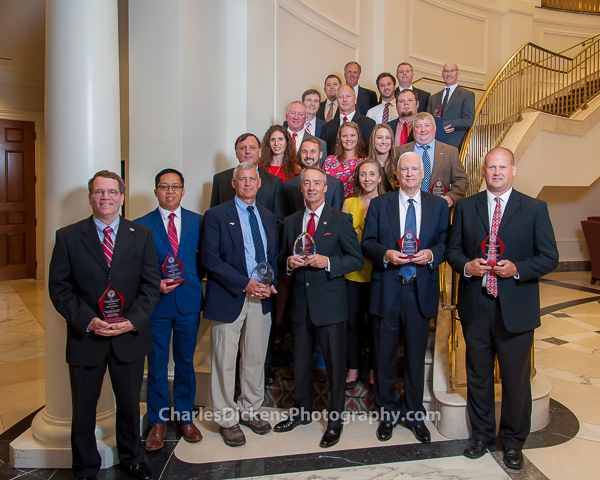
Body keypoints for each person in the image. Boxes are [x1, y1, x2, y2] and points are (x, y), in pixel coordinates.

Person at [446, 147, 559, 470]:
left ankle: (512, 441)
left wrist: (519, 268)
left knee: (515, 379)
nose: (496, 173)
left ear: (514, 170)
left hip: (516, 306)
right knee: (478, 376)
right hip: (476, 304)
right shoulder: (467, 207)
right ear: (483, 171)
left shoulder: (535, 208)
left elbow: (550, 257)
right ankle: (480, 435)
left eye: (502, 167)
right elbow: (453, 251)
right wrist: (469, 266)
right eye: (491, 167)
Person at [48, 170, 160, 480]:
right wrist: (88, 321)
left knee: (128, 404)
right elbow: (59, 290)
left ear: (121, 197)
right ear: (90, 197)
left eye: (112, 192)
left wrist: (130, 321)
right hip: (87, 339)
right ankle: (85, 466)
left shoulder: (142, 235)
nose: (106, 197)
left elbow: (151, 288)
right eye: (99, 192)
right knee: (83, 409)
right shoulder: (68, 237)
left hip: (129, 337)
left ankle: (132, 459)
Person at [362, 153, 450, 444]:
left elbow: (445, 243)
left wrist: (432, 254)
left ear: (422, 173)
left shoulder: (438, 206)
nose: (409, 174)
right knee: (383, 356)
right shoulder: (379, 204)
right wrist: (386, 254)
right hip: (388, 287)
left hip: (419, 289)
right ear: (395, 174)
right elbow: (367, 243)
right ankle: (387, 413)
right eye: (404, 169)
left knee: (414, 357)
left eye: (415, 169)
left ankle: (414, 415)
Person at [274, 166, 363, 448]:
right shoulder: (290, 222)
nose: (311, 187)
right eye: (306, 183)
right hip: (300, 305)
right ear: (301, 189)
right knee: (301, 362)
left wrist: (328, 263)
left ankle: (335, 421)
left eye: (317, 183)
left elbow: (356, 259)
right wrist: (288, 262)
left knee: (336, 366)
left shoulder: (340, 220)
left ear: (326, 188)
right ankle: (301, 413)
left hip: (331, 306)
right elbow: (279, 258)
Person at [201, 162, 279, 447]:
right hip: (228, 296)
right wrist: (244, 283)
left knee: (255, 356)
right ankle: (226, 418)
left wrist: (270, 282)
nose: (247, 184)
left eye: (252, 179)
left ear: (259, 183)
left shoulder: (268, 217)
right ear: (234, 183)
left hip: (261, 297)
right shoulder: (216, 215)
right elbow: (210, 260)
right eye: (242, 179)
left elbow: (274, 255)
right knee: (224, 360)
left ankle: (251, 410)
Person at [134, 168, 204, 451]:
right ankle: (159, 421)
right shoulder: (139, 226)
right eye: (164, 187)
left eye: (175, 187)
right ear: (156, 191)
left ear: (183, 191)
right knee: (158, 366)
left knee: (186, 363)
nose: (170, 191)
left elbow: (206, 259)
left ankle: (185, 417)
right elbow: (134, 267)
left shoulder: (198, 222)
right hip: (157, 305)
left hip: (188, 303)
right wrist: (154, 284)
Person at [342, 159, 385, 389]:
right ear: (357, 178)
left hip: (379, 272)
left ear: (380, 177)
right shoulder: (349, 203)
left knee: (376, 324)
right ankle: (353, 368)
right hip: (354, 273)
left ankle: (373, 370)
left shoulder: (389, 202)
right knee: (353, 324)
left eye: (372, 174)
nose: (367, 178)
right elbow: (342, 237)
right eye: (362, 174)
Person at [210, 133, 286, 231]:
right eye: (242, 148)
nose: (247, 152)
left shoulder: (274, 182)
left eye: (252, 147)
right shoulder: (220, 179)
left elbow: (279, 223)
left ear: (259, 152)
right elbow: (213, 218)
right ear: (236, 153)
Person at [396, 112, 468, 208]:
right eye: (418, 126)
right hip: (406, 206)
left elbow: (461, 180)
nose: (423, 130)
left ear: (435, 128)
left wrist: (451, 197)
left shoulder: (450, 152)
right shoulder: (400, 151)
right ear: (413, 130)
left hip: (437, 207)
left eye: (427, 125)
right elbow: (392, 178)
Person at [285, 137, 345, 213]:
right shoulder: (289, 186)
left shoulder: (335, 185)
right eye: (304, 151)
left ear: (320, 154)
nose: (308, 156)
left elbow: (338, 218)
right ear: (300, 154)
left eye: (312, 151)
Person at [427, 62, 475, 150]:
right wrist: (439, 129)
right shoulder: (433, 97)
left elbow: (468, 120)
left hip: (455, 143)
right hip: (434, 143)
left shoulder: (467, 95)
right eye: (446, 71)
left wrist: (445, 125)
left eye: (452, 70)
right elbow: (427, 120)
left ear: (458, 73)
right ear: (442, 74)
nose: (449, 74)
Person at [320, 85, 376, 155]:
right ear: (337, 101)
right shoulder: (327, 127)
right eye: (341, 97)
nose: (344, 100)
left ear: (355, 99)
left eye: (348, 96)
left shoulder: (368, 124)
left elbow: (370, 153)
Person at [323, 121, 368, 199]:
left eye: (352, 135)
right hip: (334, 206)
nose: (348, 139)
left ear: (358, 137)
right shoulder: (330, 161)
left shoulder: (366, 162)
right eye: (344, 136)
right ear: (339, 138)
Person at [367, 124, 398, 192]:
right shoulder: (365, 165)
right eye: (379, 137)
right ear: (373, 140)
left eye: (387, 138)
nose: (384, 142)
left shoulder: (398, 165)